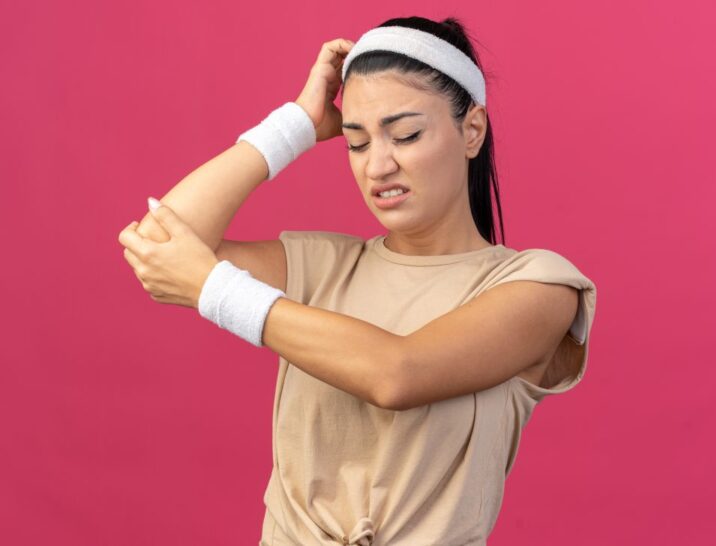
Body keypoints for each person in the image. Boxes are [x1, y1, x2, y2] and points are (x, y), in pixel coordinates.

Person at [120, 15, 597, 546]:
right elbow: (162, 239)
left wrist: (217, 290)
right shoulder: (325, 265)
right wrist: (295, 124)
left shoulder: (539, 286)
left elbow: (397, 373)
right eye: (357, 142)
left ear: (472, 130)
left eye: (406, 134)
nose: (378, 166)